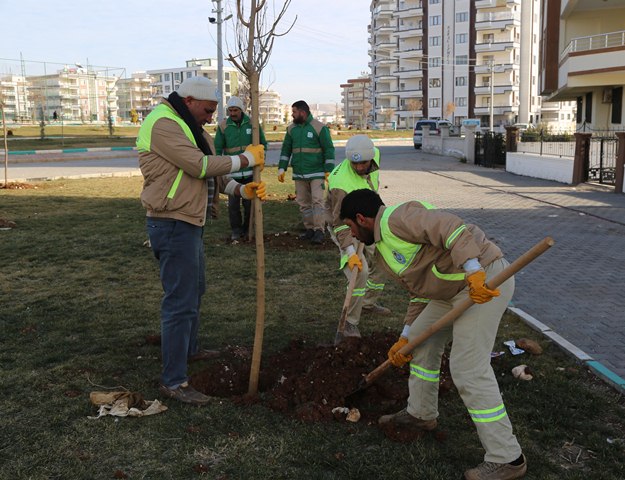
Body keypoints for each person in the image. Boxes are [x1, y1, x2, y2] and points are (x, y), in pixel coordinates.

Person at [339, 189, 527, 480]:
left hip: (485, 281)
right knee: (420, 343)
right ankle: (421, 413)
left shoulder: (397, 219)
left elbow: (451, 228)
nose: (351, 235)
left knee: (468, 368)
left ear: (362, 219)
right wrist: (405, 336)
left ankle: (507, 458)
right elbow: (420, 290)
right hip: (449, 291)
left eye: (350, 228)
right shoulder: (384, 245)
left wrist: (475, 271)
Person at [137, 76, 266, 406]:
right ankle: (174, 381)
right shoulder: (164, 123)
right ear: (190, 100)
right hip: (170, 222)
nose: (212, 117)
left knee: (195, 290)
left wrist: (242, 189)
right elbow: (198, 167)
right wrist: (247, 160)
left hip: (188, 222)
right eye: (208, 110)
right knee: (180, 301)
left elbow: (217, 178)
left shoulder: (190, 127)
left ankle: (189, 350)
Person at [326, 135, 391, 338]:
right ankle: (349, 323)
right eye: (354, 163)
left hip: (369, 221)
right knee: (359, 271)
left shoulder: (374, 156)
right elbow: (338, 224)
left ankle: (368, 303)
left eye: (363, 163)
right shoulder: (340, 184)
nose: (359, 167)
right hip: (346, 225)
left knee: (384, 259)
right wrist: (351, 251)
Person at [278, 100, 335, 244]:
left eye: (294, 112)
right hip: (299, 173)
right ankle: (309, 229)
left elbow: (329, 149)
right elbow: (286, 149)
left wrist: (328, 170)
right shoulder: (291, 129)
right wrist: (281, 168)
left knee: (317, 201)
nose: (292, 114)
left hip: (316, 173)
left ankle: (319, 230)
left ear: (302, 113)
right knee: (303, 203)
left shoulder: (319, 128)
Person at [214, 96, 268, 242]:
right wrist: (219, 167)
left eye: (235, 110)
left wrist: (262, 159)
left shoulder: (252, 124)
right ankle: (236, 231)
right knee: (233, 206)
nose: (232, 113)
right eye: (230, 110)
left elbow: (263, 144)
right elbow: (217, 148)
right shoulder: (224, 126)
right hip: (232, 173)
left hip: (251, 172)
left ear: (241, 110)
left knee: (250, 204)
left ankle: (248, 229)